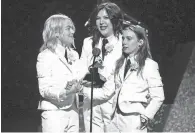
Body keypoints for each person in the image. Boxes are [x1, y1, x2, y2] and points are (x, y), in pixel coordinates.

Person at [106, 16, 165, 132]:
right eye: (123, 38)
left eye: (129, 39)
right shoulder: (119, 63)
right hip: (114, 118)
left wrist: (146, 116)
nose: (124, 42)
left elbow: (158, 96)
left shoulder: (149, 65)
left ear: (140, 42)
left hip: (133, 120)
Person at [78, 2, 123, 132]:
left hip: (112, 103)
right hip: (90, 104)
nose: (101, 22)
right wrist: (82, 79)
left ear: (115, 20)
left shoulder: (123, 44)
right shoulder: (88, 42)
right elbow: (81, 67)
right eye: (98, 18)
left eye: (106, 17)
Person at [36, 14, 81, 132]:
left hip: (74, 111)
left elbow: (78, 77)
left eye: (72, 28)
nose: (72, 31)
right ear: (56, 32)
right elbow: (44, 89)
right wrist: (64, 92)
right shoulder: (45, 56)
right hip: (54, 113)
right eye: (68, 28)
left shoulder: (74, 55)